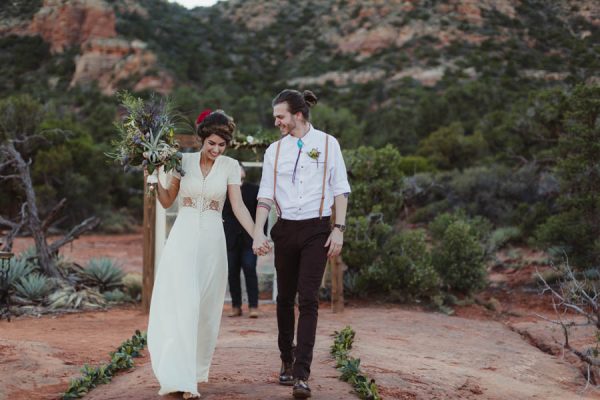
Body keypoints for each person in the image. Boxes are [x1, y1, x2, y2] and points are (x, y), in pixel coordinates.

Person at [147, 110, 258, 399]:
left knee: (205, 310)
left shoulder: (230, 166)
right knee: (183, 304)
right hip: (183, 238)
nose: (216, 150)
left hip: (212, 240)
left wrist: (257, 233)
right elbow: (167, 200)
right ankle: (178, 377)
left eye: (221, 145)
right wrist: (154, 176)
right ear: (202, 139)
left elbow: (238, 207)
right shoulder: (181, 162)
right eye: (212, 144)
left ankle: (194, 372)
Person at [252, 89, 351, 399]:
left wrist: (338, 228)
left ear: (297, 114)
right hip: (286, 229)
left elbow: (340, 190)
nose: (276, 122)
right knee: (284, 299)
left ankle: (301, 374)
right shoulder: (273, 151)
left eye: (280, 116)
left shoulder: (327, 144)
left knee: (308, 298)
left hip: (317, 229)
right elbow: (265, 195)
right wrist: (259, 232)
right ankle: (286, 356)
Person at [223, 162, 261, 318]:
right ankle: (236, 306)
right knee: (232, 272)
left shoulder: (254, 190)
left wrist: (258, 236)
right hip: (230, 239)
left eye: (239, 169)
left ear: (244, 171)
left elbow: (260, 216)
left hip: (249, 239)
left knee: (250, 269)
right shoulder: (223, 191)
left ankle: (253, 306)